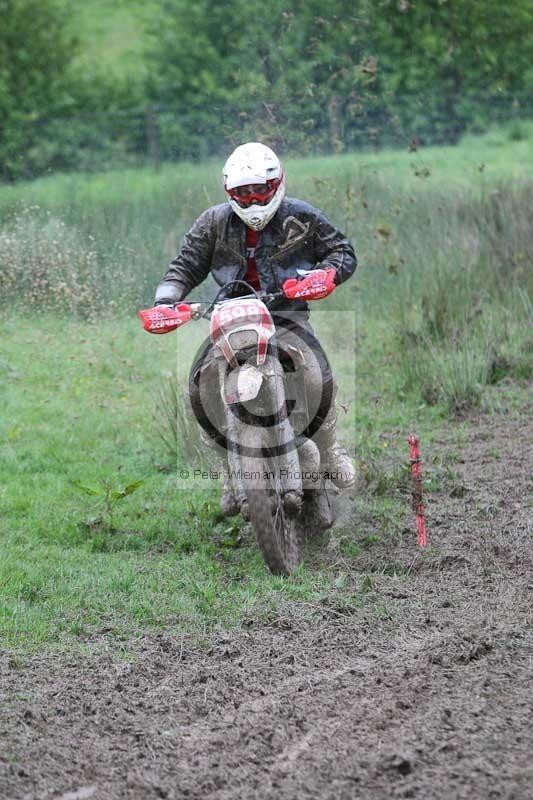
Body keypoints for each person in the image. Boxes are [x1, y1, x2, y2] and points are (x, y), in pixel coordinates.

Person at [155, 142, 357, 516]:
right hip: (231, 318)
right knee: (199, 388)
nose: (251, 201)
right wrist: (166, 300)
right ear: (229, 193)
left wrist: (323, 276)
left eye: (259, 191)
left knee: (316, 377)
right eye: (242, 194)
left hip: (286, 316)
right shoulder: (213, 222)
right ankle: (228, 472)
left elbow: (342, 251)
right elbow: (183, 266)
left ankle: (330, 450)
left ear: (276, 184)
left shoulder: (301, 216)